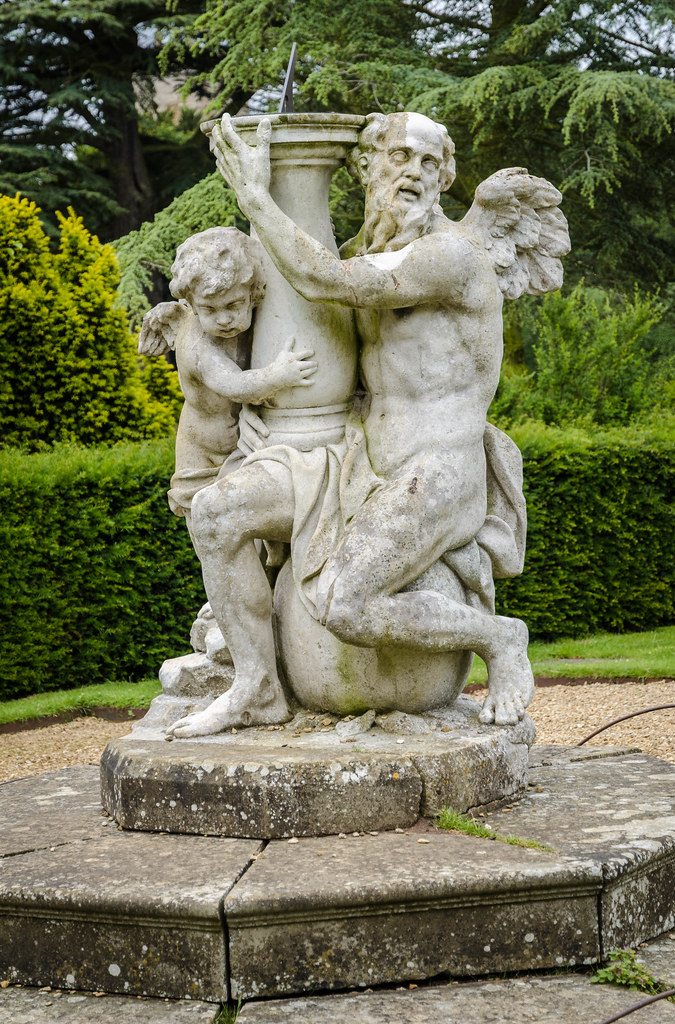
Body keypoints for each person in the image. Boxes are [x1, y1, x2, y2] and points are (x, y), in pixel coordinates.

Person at [168, 111, 568, 737]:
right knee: (216, 514)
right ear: (369, 167)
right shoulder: (366, 255)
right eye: (400, 157)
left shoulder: (449, 257)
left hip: (434, 471)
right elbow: (316, 336)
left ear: (446, 177)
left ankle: (501, 638)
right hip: (353, 456)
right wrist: (255, 410)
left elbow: (320, 277)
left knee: (344, 603)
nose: (413, 173)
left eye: (429, 163)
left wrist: (254, 195)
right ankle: (257, 688)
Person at [138, 226, 317, 539]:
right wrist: (279, 374)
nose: (223, 319)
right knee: (215, 540)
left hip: (241, 450)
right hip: (202, 458)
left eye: (234, 306)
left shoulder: (251, 321)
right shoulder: (196, 344)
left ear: (253, 295)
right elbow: (236, 385)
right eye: (209, 310)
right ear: (191, 306)